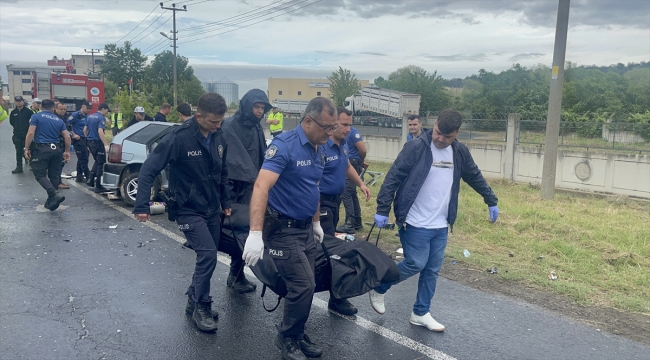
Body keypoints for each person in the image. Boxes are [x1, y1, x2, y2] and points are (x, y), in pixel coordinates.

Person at [369, 109, 499, 332]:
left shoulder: (459, 152)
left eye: (447, 137)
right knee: (415, 263)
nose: (440, 139)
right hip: (414, 220)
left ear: (457, 133)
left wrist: (490, 199)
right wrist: (383, 208)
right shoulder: (416, 147)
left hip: (440, 223)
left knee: (432, 270)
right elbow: (393, 177)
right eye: (438, 133)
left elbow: (474, 176)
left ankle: (420, 312)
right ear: (435, 124)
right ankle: (380, 288)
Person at [242, 97, 337, 360]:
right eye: (327, 127)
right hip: (284, 230)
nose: (330, 134)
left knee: (308, 283)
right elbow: (261, 186)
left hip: (306, 229)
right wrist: (255, 234)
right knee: (303, 285)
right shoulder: (284, 146)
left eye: (333, 128)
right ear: (308, 121)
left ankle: (296, 332)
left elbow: (313, 186)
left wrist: (316, 222)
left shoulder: (320, 147)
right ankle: (286, 337)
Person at [133, 93, 231, 333]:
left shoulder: (218, 135)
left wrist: (226, 201)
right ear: (198, 116)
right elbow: (148, 169)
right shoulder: (178, 138)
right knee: (208, 255)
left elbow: (223, 171)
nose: (218, 126)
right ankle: (200, 306)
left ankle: (194, 300)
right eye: (213, 122)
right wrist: (142, 204)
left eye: (221, 122)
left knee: (210, 256)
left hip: (211, 208)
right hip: (188, 208)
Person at [219, 89, 272, 294]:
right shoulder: (230, 125)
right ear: (247, 105)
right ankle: (234, 275)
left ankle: (236, 274)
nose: (259, 111)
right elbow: (228, 159)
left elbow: (260, 156)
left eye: (262, 108)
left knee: (246, 231)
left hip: (251, 187)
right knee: (232, 230)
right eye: (256, 107)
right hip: (232, 187)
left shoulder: (257, 128)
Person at [319, 106, 371, 316]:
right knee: (329, 252)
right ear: (333, 125)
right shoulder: (321, 147)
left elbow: (347, 165)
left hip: (334, 204)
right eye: (344, 125)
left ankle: (334, 295)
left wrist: (361, 184)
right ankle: (336, 298)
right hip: (320, 206)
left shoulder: (341, 146)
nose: (349, 129)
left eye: (350, 124)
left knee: (328, 250)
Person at [23, 99, 71, 211]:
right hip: (56, 150)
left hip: (42, 149)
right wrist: (67, 151)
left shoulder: (36, 117)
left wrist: (27, 148)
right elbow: (67, 137)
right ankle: (51, 201)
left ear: (41, 107)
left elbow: (30, 133)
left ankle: (53, 193)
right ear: (53, 108)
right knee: (54, 175)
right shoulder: (59, 120)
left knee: (39, 174)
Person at [335, 125, 367, 234]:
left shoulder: (353, 132)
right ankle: (357, 221)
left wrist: (359, 160)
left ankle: (350, 223)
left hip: (352, 163)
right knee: (352, 192)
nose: (346, 127)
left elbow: (362, 150)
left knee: (346, 192)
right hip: (351, 162)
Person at [84, 103, 111, 193]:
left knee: (97, 160)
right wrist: (105, 144)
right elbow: (100, 131)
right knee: (101, 163)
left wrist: (87, 139)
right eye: (107, 111)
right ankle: (98, 185)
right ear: (103, 109)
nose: (107, 113)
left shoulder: (90, 116)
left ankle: (91, 180)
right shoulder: (101, 118)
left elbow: (85, 129)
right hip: (97, 142)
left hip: (89, 142)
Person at [68, 101, 91, 183]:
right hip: (78, 139)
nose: (89, 110)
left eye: (90, 109)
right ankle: (88, 177)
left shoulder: (87, 116)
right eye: (87, 108)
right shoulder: (76, 115)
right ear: (83, 106)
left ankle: (79, 176)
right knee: (83, 158)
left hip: (85, 139)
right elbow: (67, 124)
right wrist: (73, 134)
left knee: (83, 158)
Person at [9, 96, 34, 173]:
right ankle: (19, 167)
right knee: (19, 151)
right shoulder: (13, 113)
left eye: (20, 101)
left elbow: (32, 123)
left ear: (23, 102)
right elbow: (12, 122)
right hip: (17, 135)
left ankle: (32, 165)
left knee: (31, 150)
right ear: (15, 102)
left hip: (27, 135)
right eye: (17, 101)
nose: (18, 102)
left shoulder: (29, 112)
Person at [54, 102, 71, 189]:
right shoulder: (54, 118)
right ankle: (57, 182)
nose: (63, 111)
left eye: (64, 109)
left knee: (61, 163)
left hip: (62, 142)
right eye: (61, 109)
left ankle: (57, 181)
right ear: (55, 109)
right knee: (58, 164)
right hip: (56, 143)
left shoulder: (64, 118)